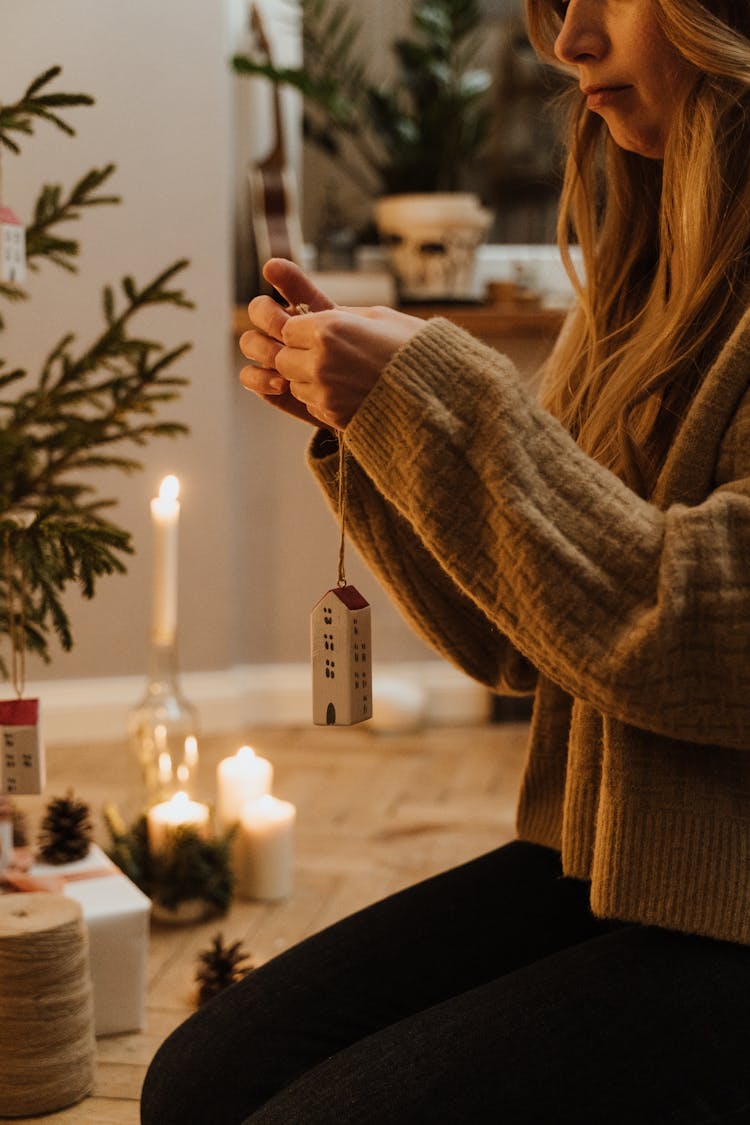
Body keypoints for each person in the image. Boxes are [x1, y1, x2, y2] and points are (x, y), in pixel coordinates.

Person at [141, 0, 750, 1120]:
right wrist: (377, 433)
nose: (566, 45)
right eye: (560, 5)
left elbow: (702, 632)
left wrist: (450, 404)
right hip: (611, 854)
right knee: (198, 1084)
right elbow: (519, 646)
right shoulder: (648, 271)